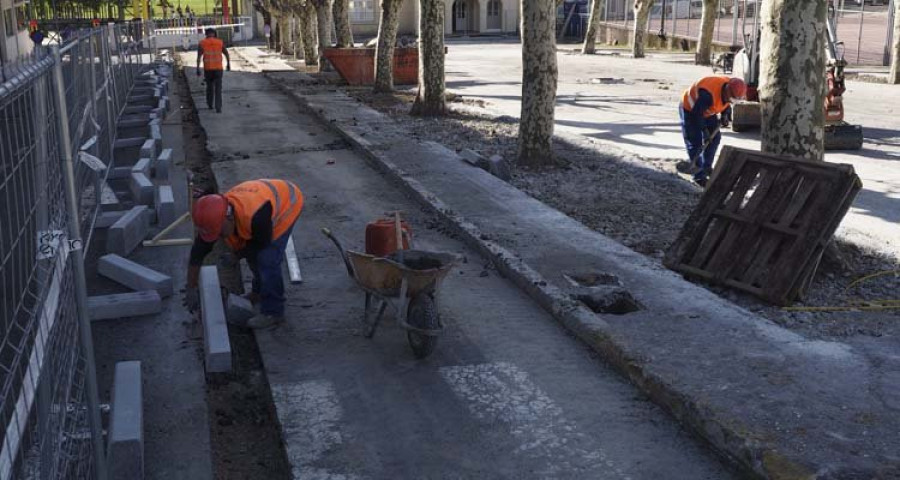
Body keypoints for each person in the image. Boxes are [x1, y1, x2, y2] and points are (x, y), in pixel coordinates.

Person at [183, 179, 304, 329]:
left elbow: (260, 243)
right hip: (263, 199)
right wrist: (191, 287)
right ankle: (258, 292)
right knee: (253, 257)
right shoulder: (213, 217)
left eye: (219, 232)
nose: (217, 237)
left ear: (228, 217)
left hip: (288, 204)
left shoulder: (256, 216)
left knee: (267, 260)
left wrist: (236, 256)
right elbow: (197, 255)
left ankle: (274, 312)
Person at [679, 76, 747, 188]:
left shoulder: (730, 87)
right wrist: (705, 131)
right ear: (727, 91)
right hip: (690, 109)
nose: (732, 101)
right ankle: (699, 175)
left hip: (708, 111)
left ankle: (706, 167)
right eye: (732, 98)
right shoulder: (707, 95)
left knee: (714, 138)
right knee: (694, 142)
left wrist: (725, 114)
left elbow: (726, 104)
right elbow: (697, 114)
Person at [196, 28, 230, 113]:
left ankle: (210, 104)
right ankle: (218, 107)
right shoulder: (220, 42)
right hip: (218, 69)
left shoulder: (202, 43)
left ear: (206, 34)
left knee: (209, 87)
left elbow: (199, 57)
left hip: (208, 69)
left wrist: (197, 68)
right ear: (214, 34)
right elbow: (226, 53)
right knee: (218, 88)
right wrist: (228, 64)